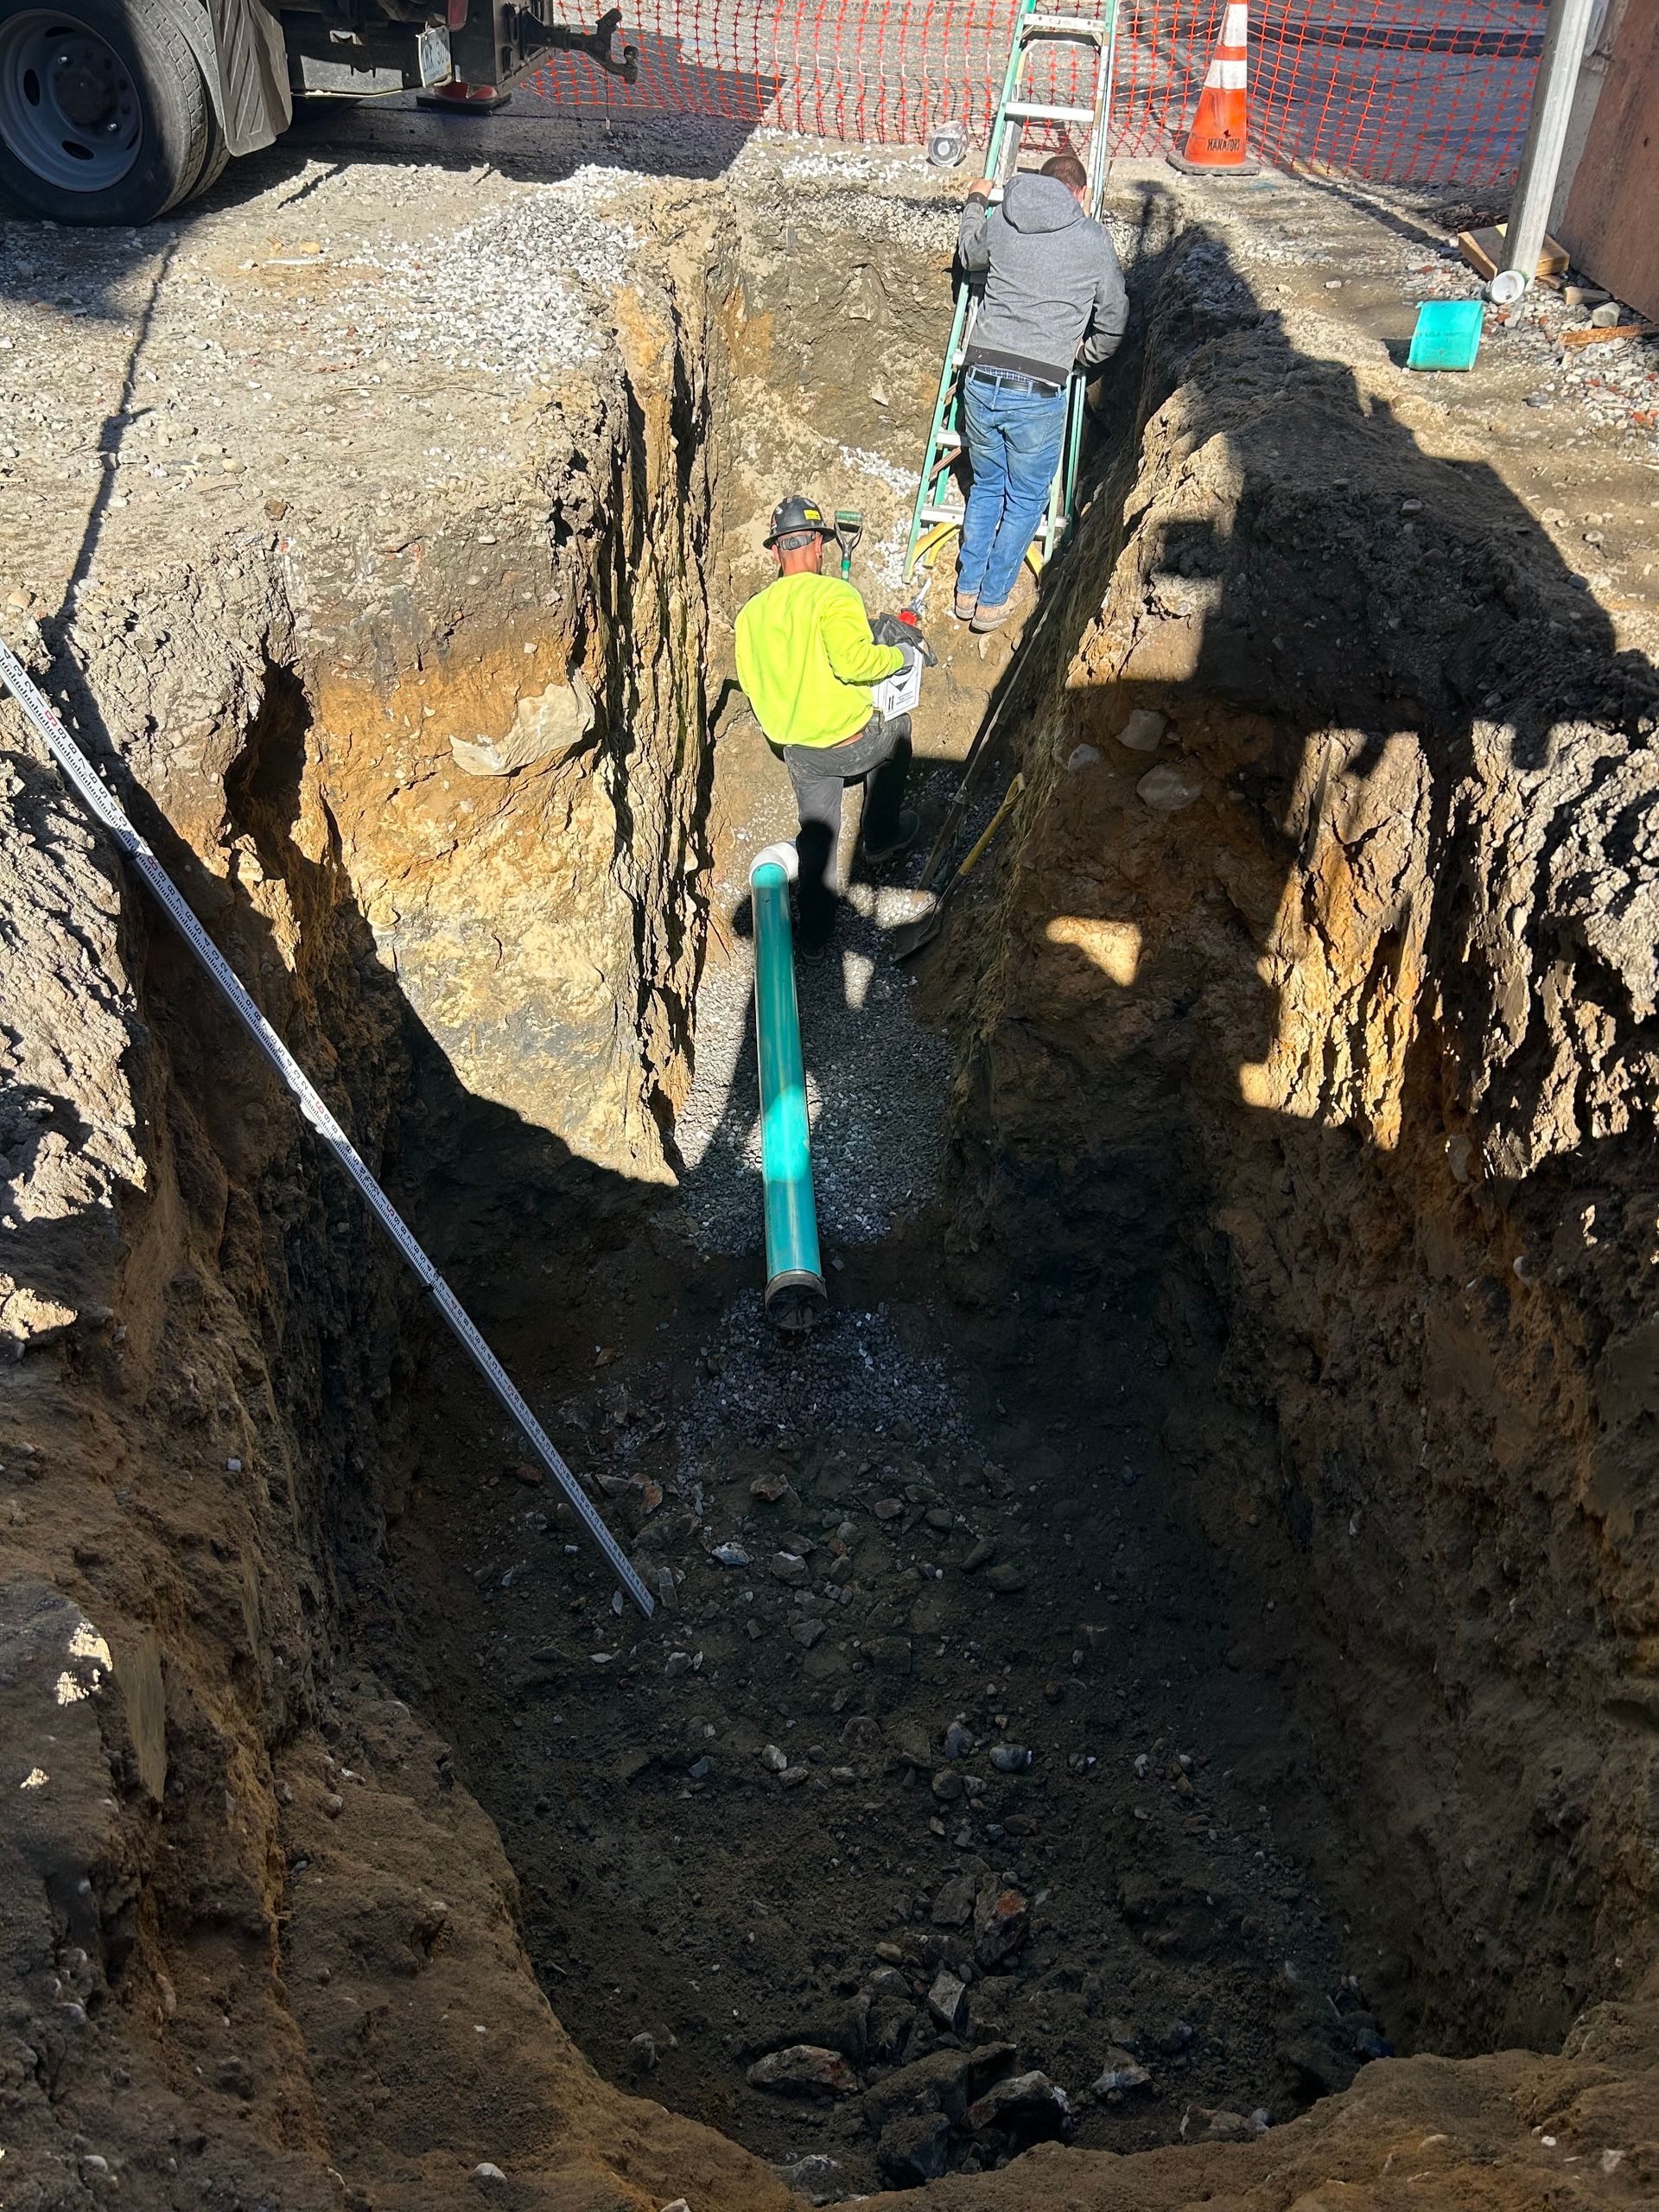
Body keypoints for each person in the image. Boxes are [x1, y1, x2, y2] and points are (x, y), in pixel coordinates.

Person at [734, 494, 927, 954]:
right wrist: (900, 655)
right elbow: (854, 662)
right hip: (850, 740)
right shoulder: (836, 594)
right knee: (897, 732)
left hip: (799, 751)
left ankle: (816, 936)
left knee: (818, 834)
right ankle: (880, 836)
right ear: (819, 546)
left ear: (776, 550)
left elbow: (752, 683)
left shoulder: (750, 616)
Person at [954, 149, 1128, 632]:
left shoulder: (1005, 219)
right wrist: (1083, 357)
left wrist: (974, 200)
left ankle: (967, 591)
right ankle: (991, 603)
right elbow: (1114, 319)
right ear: (1080, 193)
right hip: (1039, 386)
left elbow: (969, 255)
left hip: (982, 378)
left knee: (988, 484)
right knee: (1027, 497)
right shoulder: (1091, 238)